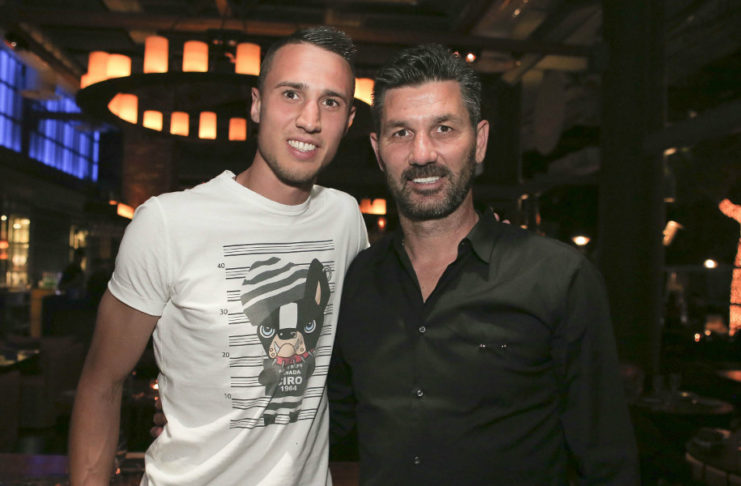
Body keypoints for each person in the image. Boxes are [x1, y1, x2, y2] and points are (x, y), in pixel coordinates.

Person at [69, 26, 368, 486]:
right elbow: (101, 382)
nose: (309, 119)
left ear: (348, 121)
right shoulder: (167, 222)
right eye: (291, 94)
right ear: (256, 104)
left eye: (331, 102)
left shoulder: (344, 218)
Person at [328, 44, 639, 485]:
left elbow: (608, 461)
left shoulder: (559, 278)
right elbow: (326, 425)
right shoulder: (358, 280)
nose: (422, 153)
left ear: (480, 142)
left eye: (443, 129)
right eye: (401, 133)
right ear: (379, 151)